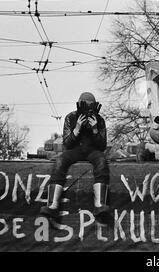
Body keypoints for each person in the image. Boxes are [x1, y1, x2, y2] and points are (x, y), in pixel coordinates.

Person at [40, 92, 110, 221]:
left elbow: (102, 146)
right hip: (75, 150)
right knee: (60, 161)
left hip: (92, 151)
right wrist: (77, 128)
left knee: (101, 161)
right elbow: (67, 143)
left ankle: (100, 205)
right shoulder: (70, 117)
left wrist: (95, 130)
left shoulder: (99, 120)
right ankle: (52, 205)